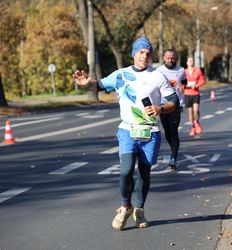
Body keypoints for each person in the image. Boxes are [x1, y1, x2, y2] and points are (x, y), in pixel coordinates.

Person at [73, 37, 179, 230]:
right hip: (127, 129)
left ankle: (139, 209)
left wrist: (161, 109)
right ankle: (125, 206)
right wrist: (85, 83)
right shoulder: (121, 75)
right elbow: (98, 85)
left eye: (148, 53)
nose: (144, 56)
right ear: (133, 54)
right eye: (141, 52)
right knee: (126, 170)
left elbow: (174, 101)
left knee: (144, 174)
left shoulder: (157, 76)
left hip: (150, 131)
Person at [156, 49, 186, 169]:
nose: (170, 60)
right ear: (164, 58)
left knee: (173, 131)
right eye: (168, 58)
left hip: (176, 105)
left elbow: (184, 82)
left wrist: (183, 87)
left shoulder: (181, 70)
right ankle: (173, 149)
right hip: (163, 105)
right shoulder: (158, 71)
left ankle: (173, 157)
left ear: (176, 58)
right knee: (167, 132)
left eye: (172, 58)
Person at [184, 56, 206, 136]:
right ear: (187, 62)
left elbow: (203, 80)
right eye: (189, 60)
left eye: (192, 60)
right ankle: (193, 127)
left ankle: (197, 122)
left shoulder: (198, 70)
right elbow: (182, 82)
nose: (191, 62)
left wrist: (197, 85)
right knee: (190, 112)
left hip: (195, 93)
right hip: (187, 93)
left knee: (196, 110)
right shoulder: (184, 72)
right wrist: (185, 85)